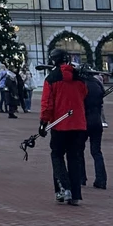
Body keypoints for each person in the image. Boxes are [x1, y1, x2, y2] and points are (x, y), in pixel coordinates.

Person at [39, 49, 88, 205]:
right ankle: (76, 195)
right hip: (78, 123)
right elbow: (84, 94)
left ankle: (63, 188)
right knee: (74, 158)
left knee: (57, 155)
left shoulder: (51, 78)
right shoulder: (78, 77)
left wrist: (43, 122)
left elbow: (47, 103)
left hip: (60, 123)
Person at [82, 69, 107, 189]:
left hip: (84, 120)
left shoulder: (82, 84)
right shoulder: (97, 84)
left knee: (78, 150)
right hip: (97, 120)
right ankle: (101, 180)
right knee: (96, 151)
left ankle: (81, 177)